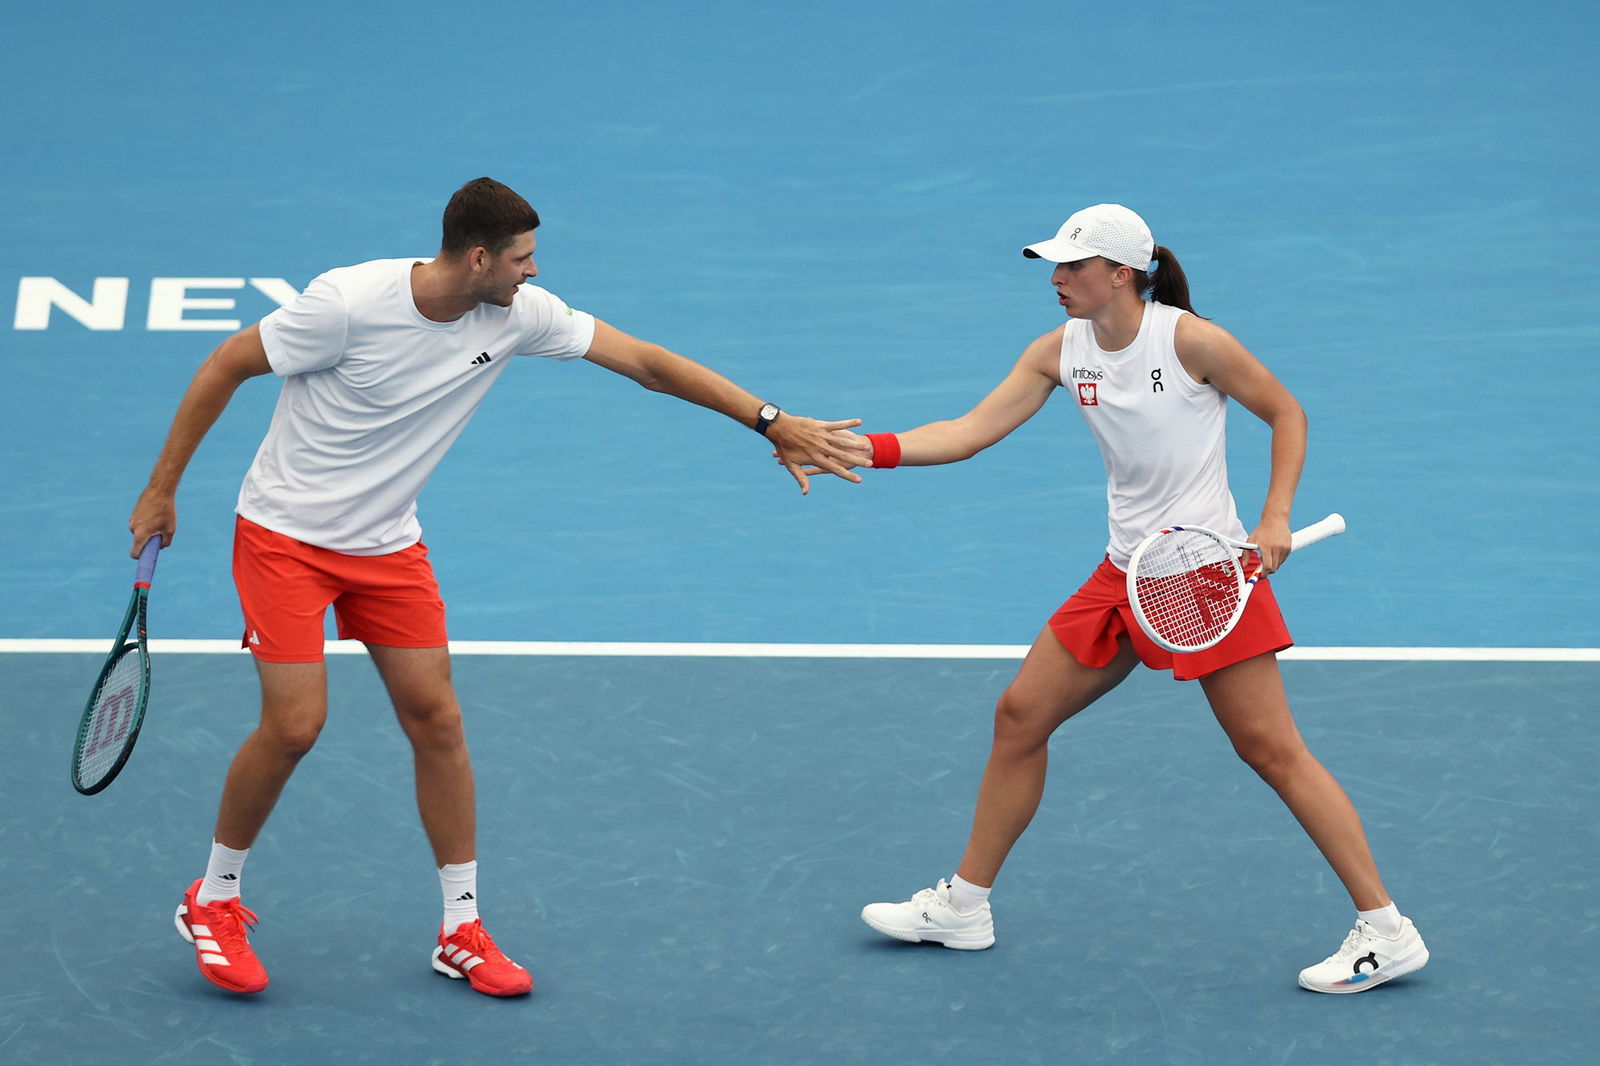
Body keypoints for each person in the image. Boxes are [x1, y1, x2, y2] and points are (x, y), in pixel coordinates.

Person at [128, 177, 868, 998]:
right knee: (297, 726)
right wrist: (163, 489)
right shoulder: (345, 304)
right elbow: (224, 366)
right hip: (286, 540)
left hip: (388, 546)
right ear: (477, 257)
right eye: (522, 258)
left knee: (437, 721)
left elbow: (649, 364)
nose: (534, 272)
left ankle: (461, 929)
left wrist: (771, 420)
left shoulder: (519, 315)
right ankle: (215, 897)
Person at [851, 204, 1427, 993]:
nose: (1056, 280)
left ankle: (1387, 931)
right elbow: (968, 431)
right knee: (1021, 716)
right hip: (1125, 575)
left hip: (1202, 576)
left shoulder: (1191, 340)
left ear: (1121, 274)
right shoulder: (1060, 351)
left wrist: (1275, 516)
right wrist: (865, 449)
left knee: (1271, 752)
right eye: (1053, 267)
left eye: (1072, 268)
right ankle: (964, 907)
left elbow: (1285, 412)